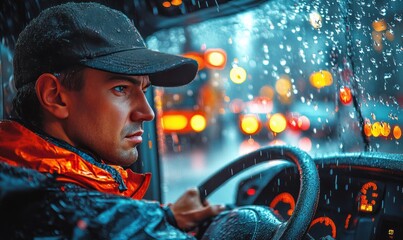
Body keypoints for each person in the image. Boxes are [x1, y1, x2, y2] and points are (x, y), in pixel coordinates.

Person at [0, 2, 226, 239]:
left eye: (144, 90)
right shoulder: (33, 208)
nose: (147, 112)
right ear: (54, 96)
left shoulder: (44, 196)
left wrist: (162, 217)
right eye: (121, 88)